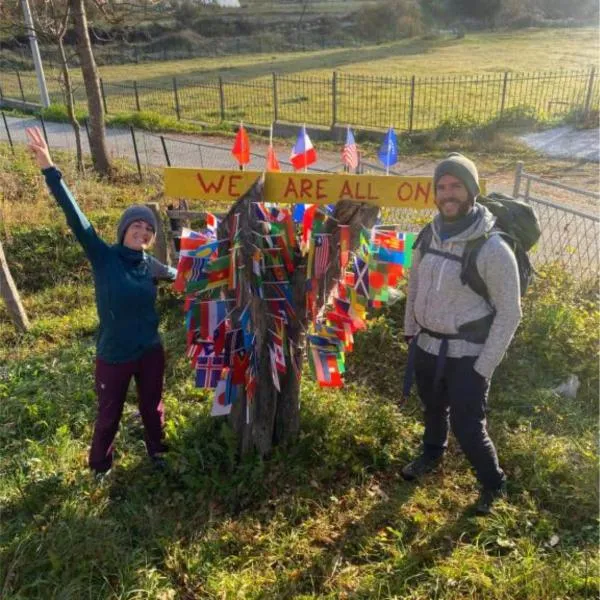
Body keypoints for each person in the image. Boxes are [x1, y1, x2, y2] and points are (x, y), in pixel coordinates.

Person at [26, 127, 176, 480]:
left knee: (153, 406)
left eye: (149, 229)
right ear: (124, 230)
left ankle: (157, 452)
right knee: (109, 413)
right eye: (137, 225)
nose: (143, 231)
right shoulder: (104, 257)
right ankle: (100, 466)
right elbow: (76, 218)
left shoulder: (151, 265)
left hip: (150, 350)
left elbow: (184, 273)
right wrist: (50, 168)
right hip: (114, 354)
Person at [402, 152, 522, 515]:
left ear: (471, 191)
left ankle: (493, 483)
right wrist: (411, 332)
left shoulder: (492, 248)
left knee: (469, 426)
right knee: (433, 408)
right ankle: (432, 454)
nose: (447, 194)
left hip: (469, 355)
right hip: (426, 345)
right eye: (441, 187)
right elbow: (416, 283)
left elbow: (510, 313)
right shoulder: (429, 234)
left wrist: (484, 365)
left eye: (456, 186)